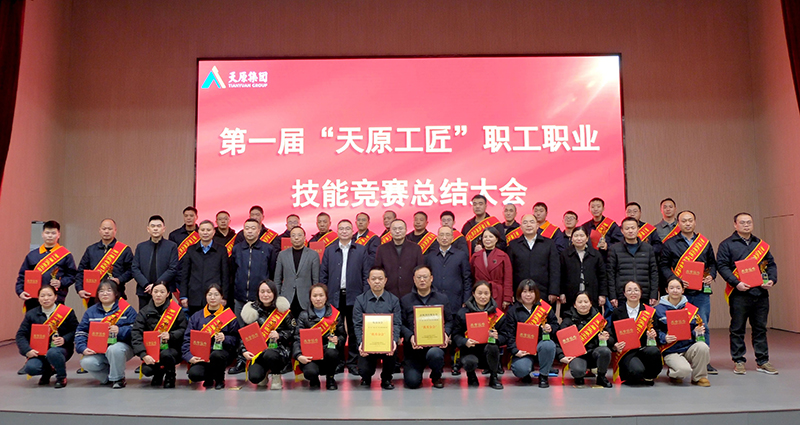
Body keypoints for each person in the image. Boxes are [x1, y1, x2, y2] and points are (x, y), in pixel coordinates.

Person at [717, 212, 778, 375]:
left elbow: (771, 264)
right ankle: (738, 360)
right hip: (739, 293)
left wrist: (771, 280)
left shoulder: (761, 244)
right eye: (742, 222)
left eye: (749, 222)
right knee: (737, 328)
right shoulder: (726, 244)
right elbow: (722, 266)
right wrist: (736, 283)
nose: (746, 225)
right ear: (735, 225)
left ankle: (762, 361)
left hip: (760, 293)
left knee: (760, 328)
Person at [659, 210, 718, 373]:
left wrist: (711, 276)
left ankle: (704, 361)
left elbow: (713, 264)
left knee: (702, 324)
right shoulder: (670, 243)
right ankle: (677, 357)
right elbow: (663, 266)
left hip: (700, 293)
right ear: (678, 223)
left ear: (695, 222)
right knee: (678, 325)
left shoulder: (704, 242)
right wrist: (676, 280)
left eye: (690, 220)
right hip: (679, 293)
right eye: (684, 221)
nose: (687, 223)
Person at [320, 219, 370, 375]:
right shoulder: (329, 250)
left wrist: (365, 296)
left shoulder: (361, 250)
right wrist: (324, 295)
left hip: (355, 296)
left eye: (347, 228)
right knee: (335, 330)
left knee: (355, 330)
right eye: (341, 228)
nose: (344, 231)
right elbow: (323, 275)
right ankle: (338, 362)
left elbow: (366, 275)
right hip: (334, 296)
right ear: (337, 231)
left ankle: (353, 362)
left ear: (352, 231)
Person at [75, 279, 136, 388]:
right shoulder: (91, 311)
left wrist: (120, 330)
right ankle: (107, 378)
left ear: (115, 293)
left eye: (109, 290)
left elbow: (136, 329)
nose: (105, 293)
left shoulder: (126, 309)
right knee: (86, 362)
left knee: (114, 349)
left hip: (122, 347)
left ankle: (118, 379)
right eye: (101, 291)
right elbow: (81, 331)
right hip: (99, 350)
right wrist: (82, 348)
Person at [400, 266, 453, 389]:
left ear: (431, 278)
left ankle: (436, 375)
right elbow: (400, 324)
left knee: (435, 354)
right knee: (412, 383)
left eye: (425, 277)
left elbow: (450, 321)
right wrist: (410, 337)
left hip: (435, 346)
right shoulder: (405, 300)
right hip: (414, 349)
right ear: (414, 279)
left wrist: (446, 334)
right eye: (419, 277)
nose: (422, 280)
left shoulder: (442, 299)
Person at [16, 285, 78, 388]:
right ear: (38, 298)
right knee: (31, 368)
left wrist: (64, 339)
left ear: (55, 297)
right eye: (42, 296)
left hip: (61, 349)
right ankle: (48, 371)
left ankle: (61, 377)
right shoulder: (31, 314)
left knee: (53, 353)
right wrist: (27, 350)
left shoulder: (67, 312)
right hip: (39, 352)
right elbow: (21, 335)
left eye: (49, 295)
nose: (46, 298)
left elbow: (76, 330)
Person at [654, 278, 711, 386]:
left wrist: (697, 331)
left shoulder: (691, 309)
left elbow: (695, 328)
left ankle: (699, 377)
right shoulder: (658, 310)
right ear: (666, 290)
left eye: (678, 288)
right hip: (670, 349)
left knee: (703, 347)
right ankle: (674, 373)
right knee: (684, 371)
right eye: (671, 288)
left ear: (683, 290)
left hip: (688, 347)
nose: (675, 290)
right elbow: (655, 330)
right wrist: (664, 337)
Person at [353, 267, 402, 390]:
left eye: (380, 278)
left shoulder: (394, 300)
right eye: (373, 279)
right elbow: (358, 324)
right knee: (364, 369)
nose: (377, 281)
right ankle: (366, 377)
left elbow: (397, 323)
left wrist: (394, 340)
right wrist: (361, 342)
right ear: (368, 281)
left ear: (385, 280)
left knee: (392, 350)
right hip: (368, 343)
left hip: (386, 342)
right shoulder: (360, 300)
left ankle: (386, 378)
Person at [131, 281, 187, 388]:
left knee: (166, 355)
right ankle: (158, 373)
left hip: (172, 349)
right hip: (152, 350)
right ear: (151, 293)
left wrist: (171, 335)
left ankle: (170, 375)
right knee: (147, 370)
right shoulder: (144, 312)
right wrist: (143, 354)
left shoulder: (177, 311)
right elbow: (136, 333)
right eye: (155, 291)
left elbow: (184, 330)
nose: (158, 295)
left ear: (167, 294)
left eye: (162, 292)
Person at [452, 280, 506, 389]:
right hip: (470, 350)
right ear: (473, 294)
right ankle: (471, 376)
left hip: (489, 351)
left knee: (493, 347)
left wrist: (497, 338)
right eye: (479, 293)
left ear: (490, 294)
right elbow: (455, 335)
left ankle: (494, 377)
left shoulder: (497, 315)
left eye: (486, 293)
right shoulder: (463, 313)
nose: (483, 297)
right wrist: (464, 341)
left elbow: (505, 336)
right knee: (469, 362)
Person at [183, 284, 239, 389]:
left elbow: (236, 339)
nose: (212, 298)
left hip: (222, 354)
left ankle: (219, 379)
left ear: (222, 297)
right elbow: (187, 339)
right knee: (194, 375)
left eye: (216, 295)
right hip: (202, 355)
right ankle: (208, 376)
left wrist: (225, 338)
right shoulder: (196, 317)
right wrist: (189, 357)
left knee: (216, 355)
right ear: (205, 296)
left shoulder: (229, 316)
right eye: (209, 294)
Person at [505, 280, 558, 388]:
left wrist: (550, 328)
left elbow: (556, 325)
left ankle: (543, 376)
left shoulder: (544, 308)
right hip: (522, 349)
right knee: (520, 369)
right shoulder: (513, 311)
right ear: (519, 293)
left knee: (549, 345)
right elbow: (509, 334)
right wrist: (515, 351)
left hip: (541, 345)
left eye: (531, 291)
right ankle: (525, 374)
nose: (528, 295)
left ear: (536, 293)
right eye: (524, 291)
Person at [241, 280, 293, 389]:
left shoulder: (282, 309)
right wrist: (244, 350)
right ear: (258, 293)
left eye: (269, 292)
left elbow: (292, 331)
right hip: (258, 352)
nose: (265, 295)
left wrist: (280, 335)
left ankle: (276, 375)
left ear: (274, 293)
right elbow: (245, 335)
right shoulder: (251, 311)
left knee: (270, 354)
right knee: (255, 377)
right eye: (262, 292)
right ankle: (264, 373)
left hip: (279, 350)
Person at [16, 220, 77, 312]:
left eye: (53, 233)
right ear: (42, 234)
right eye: (47, 233)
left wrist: (61, 282)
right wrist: (20, 291)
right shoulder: (32, 255)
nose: (50, 236)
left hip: (56, 299)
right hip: (34, 300)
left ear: (59, 235)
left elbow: (73, 275)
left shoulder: (66, 255)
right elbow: (22, 276)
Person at [293, 284, 345, 390]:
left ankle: (330, 378)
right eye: (315, 296)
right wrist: (298, 355)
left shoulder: (335, 314)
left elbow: (342, 335)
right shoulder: (303, 315)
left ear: (326, 297)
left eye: (321, 295)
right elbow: (297, 338)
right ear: (310, 298)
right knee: (310, 372)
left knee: (332, 352)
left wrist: (338, 340)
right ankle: (314, 379)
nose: (318, 299)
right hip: (310, 355)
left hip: (328, 353)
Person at [608, 281, 661, 385]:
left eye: (636, 290)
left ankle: (649, 376)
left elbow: (658, 331)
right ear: (624, 293)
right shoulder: (617, 312)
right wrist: (615, 345)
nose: (633, 293)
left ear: (641, 292)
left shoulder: (649, 312)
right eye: (629, 290)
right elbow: (612, 333)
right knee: (636, 372)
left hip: (645, 349)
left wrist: (654, 334)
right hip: (627, 352)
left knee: (654, 351)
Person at [558, 292, 614, 388]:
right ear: (575, 305)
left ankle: (601, 377)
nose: (583, 305)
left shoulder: (598, 319)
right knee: (578, 371)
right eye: (580, 302)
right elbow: (559, 341)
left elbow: (612, 340)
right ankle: (579, 376)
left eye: (586, 302)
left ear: (591, 303)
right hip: (577, 355)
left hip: (594, 353)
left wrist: (606, 339)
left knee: (605, 351)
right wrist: (561, 356)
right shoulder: (568, 320)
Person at [75, 219, 134, 306]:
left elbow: (131, 270)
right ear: (99, 230)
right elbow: (81, 271)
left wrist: (119, 280)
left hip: (116, 294)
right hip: (94, 296)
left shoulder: (124, 250)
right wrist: (79, 289)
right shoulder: (91, 250)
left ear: (115, 230)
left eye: (109, 229)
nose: (106, 231)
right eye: (104, 229)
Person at [507, 214, 560, 307]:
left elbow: (555, 269)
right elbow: (509, 271)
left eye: (532, 222)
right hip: (520, 292)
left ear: (537, 225)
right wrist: (509, 293)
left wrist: (554, 291)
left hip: (543, 291)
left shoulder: (549, 243)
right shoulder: (513, 245)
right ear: (521, 227)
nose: (528, 225)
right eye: (525, 222)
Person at [179, 220, 229, 315]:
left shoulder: (221, 250)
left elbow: (225, 275)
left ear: (213, 232)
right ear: (198, 232)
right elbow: (185, 274)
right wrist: (183, 295)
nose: (205, 232)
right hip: (194, 296)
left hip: (214, 297)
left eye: (208, 230)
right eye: (202, 230)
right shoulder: (191, 249)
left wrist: (224, 296)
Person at [607, 218, 659, 308]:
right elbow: (610, 273)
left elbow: (653, 272)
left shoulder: (648, 248)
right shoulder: (614, 249)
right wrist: (613, 296)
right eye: (627, 228)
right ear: (622, 231)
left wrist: (653, 294)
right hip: (622, 295)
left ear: (638, 229)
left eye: (633, 228)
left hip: (644, 294)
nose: (630, 231)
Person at [131, 215, 179, 308]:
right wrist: (146, 285)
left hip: (164, 291)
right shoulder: (141, 247)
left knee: (164, 316)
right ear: (148, 229)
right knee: (144, 316)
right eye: (153, 226)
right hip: (144, 290)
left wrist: (156, 286)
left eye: (158, 226)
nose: (156, 229)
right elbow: (135, 268)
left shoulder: (171, 246)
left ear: (164, 229)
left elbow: (173, 268)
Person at [425, 226, 472, 317]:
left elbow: (467, 280)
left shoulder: (461, 256)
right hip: (434, 301)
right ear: (437, 238)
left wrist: (466, 300)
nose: (444, 238)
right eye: (441, 235)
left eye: (447, 235)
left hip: (455, 302)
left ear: (452, 238)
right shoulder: (430, 257)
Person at [274, 226, 320, 318]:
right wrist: (277, 297)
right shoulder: (282, 255)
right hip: (286, 298)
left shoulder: (313, 255)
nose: (296, 238)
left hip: (306, 298)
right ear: (290, 238)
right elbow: (277, 279)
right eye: (293, 235)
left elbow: (316, 280)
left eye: (299, 235)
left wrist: (314, 297)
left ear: (304, 237)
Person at [559, 226, 607, 313]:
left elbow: (602, 276)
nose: (579, 238)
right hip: (570, 294)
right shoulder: (564, 255)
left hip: (592, 293)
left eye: (582, 236)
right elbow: (560, 275)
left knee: (593, 317)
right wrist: (561, 293)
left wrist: (602, 294)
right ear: (571, 238)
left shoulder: (596, 254)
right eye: (576, 236)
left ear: (587, 238)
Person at [374, 219, 424, 299]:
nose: (397, 231)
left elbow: (420, 270)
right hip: (388, 293)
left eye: (400, 228)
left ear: (406, 230)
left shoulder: (415, 248)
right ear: (390, 231)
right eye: (394, 229)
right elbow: (378, 271)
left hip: (411, 293)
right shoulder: (382, 249)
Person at [470, 227, 513, 309]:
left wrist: (507, 297)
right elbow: (471, 277)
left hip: (498, 294)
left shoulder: (503, 256)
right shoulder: (475, 256)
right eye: (485, 237)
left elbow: (508, 279)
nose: (487, 239)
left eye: (491, 236)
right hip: (480, 294)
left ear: (496, 239)